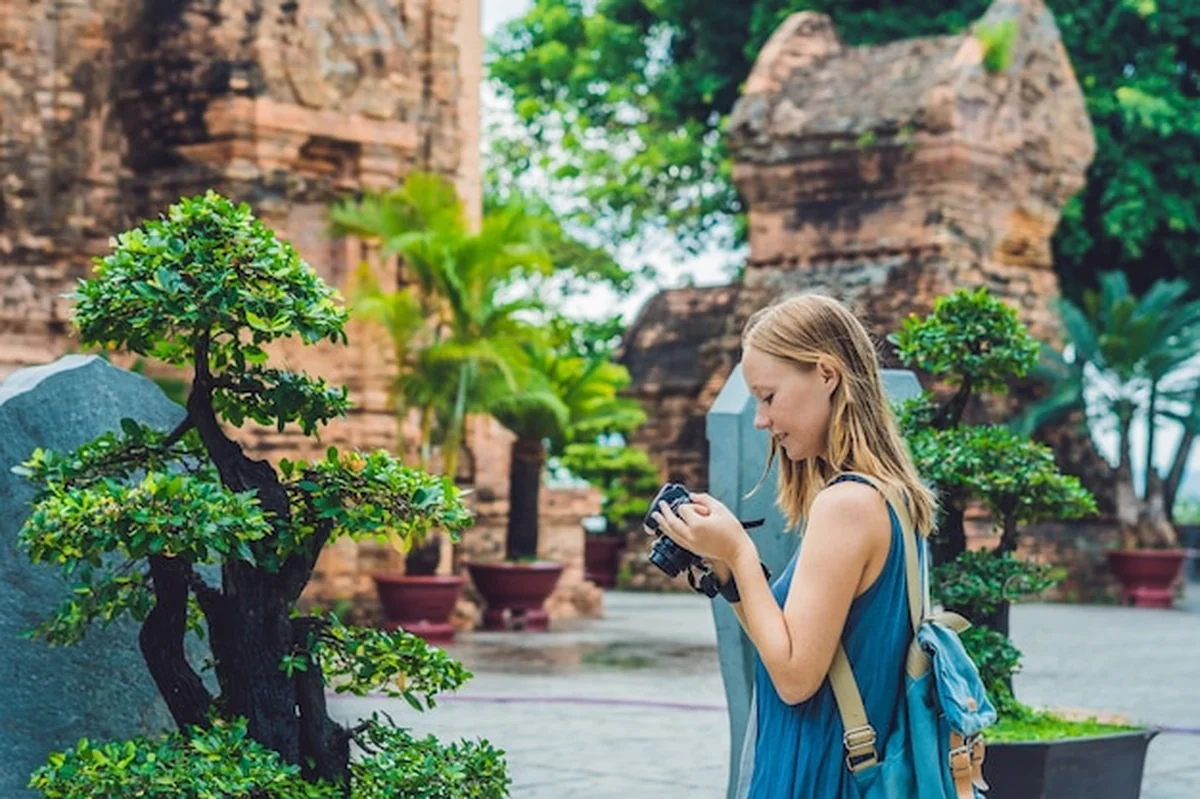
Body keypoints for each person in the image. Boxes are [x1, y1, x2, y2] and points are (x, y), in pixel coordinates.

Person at [648, 293, 937, 798]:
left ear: (826, 374)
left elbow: (795, 678)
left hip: (822, 769)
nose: (760, 418)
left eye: (768, 396)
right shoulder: (890, 495)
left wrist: (739, 550)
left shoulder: (845, 505)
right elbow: (782, 640)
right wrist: (724, 566)